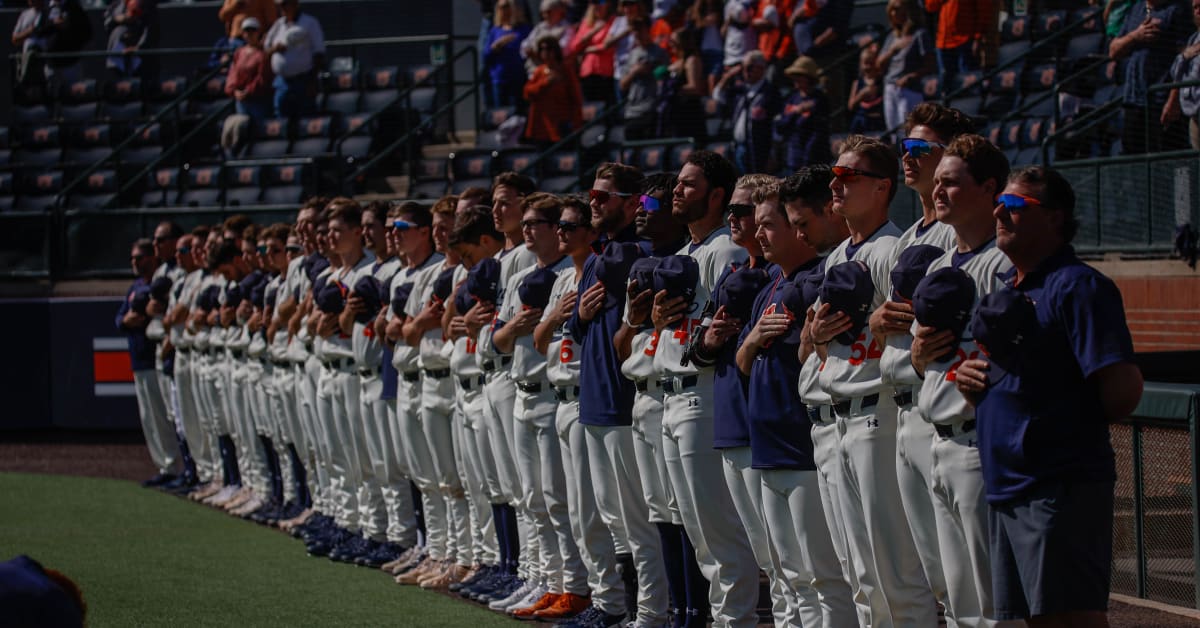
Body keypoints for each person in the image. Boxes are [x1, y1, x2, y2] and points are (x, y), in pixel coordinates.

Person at [955, 166, 1143, 625]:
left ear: (1055, 218)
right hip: (1008, 485)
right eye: (1000, 202)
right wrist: (975, 384)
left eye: (1016, 206)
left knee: (1070, 617)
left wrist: (1054, 425)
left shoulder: (1078, 286)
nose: (1000, 211)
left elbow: (1122, 389)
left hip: (1057, 485)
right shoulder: (1010, 288)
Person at [809, 135, 937, 626]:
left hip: (878, 411)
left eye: (849, 176)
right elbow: (822, 346)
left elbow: (908, 333)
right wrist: (817, 336)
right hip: (838, 413)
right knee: (858, 570)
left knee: (896, 570)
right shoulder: (839, 251)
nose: (835, 186)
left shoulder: (895, 247)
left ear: (883, 187)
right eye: (834, 175)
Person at [867, 101, 974, 624]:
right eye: (904, 147)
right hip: (902, 408)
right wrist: (877, 321)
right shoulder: (909, 237)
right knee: (927, 571)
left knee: (964, 579)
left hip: (942, 408)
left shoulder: (960, 236)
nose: (907, 157)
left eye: (919, 148)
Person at [737, 178, 859, 628]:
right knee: (789, 574)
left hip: (803, 442)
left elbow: (815, 357)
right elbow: (743, 361)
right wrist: (750, 341)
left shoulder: (820, 277)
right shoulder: (770, 285)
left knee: (825, 576)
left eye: (773, 224)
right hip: (767, 445)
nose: (762, 233)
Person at [651, 150, 761, 628]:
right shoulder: (683, 254)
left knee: (717, 528)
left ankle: (734, 620)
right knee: (696, 527)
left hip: (704, 390)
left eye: (689, 184)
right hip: (671, 394)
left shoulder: (727, 251)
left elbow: (727, 325)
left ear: (718, 196)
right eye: (678, 182)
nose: (677, 190)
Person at [909, 133, 1013, 626]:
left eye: (952, 182)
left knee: (994, 602)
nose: (938, 192)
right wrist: (914, 353)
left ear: (989, 188)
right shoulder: (937, 263)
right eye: (938, 183)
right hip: (936, 442)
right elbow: (919, 359)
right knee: (956, 600)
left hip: (979, 446)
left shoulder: (1006, 263)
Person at [567, 162, 668, 628]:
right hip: (594, 398)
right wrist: (583, 317)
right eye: (592, 193)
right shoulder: (601, 254)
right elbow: (574, 327)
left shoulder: (639, 253)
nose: (594, 202)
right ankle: (618, 608)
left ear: (632, 204)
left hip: (627, 403)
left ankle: (651, 613)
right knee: (615, 523)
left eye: (604, 196)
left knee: (641, 524)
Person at [119, 237, 181, 487]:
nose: (135, 262)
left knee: (170, 416)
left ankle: (178, 468)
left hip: (160, 355)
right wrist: (127, 320)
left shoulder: (164, 281)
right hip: (141, 359)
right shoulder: (135, 286)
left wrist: (145, 313)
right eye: (133, 258)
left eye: (140, 257)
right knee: (151, 418)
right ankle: (166, 467)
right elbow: (119, 318)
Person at [714, 50, 782, 175]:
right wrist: (728, 76)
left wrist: (773, 153)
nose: (745, 71)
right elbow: (718, 95)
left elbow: (777, 125)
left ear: (761, 68)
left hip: (760, 150)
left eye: (750, 67)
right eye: (743, 67)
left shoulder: (770, 92)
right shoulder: (741, 90)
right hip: (739, 147)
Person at [876, 0, 934, 134]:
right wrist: (893, 50)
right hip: (890, 86)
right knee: (892, 131)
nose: (893, 13)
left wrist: (911, 76)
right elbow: (879, 64)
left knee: (908, 130)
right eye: (891, 10)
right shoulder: (892, 36)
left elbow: (930, 64)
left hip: (909, 89)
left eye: (897, 9)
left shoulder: (920, 34)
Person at [221, 17, 274, 156]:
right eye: (246, 31)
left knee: (256, 133)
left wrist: (248, 91)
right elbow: (233, 74)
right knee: (240, 133)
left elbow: (263, 78)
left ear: (258, 32)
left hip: (258, 101)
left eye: (253, 31)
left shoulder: (263, 54)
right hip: (242, 102)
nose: (249, 34)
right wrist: (234, 91)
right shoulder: (239, 53)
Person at [264, 0, 325, 118]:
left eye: (285, 4)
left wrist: (312, 81)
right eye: (279, 5)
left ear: (295, 4)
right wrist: (275, 49)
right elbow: (266, 50)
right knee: (281, 119)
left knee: (305, 118)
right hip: (281, 81)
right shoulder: (278, 24)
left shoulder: (309, 23)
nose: (282, 8)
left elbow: (319, 52)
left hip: (303, 80)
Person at [774, 55, 832, 174]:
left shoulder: (819, 99)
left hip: (815, 160)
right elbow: (781, 126)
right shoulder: (792, 98)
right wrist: (796, 112)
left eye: (799, 76)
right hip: (794, 158)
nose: (796, 79)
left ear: (808, 78)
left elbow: (821, 130)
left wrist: (808, 158)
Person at [523, 36, 584, 146]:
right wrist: (545, 82)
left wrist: (577, 124)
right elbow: (527, 93)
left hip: (560, 124)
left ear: (555, 51)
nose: (545, 52)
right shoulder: (539, 71)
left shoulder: (566, 70)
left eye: (548, 49)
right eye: (542, 49)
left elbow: (576, 98)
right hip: (541, 125)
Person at [789, 0, 853, 104]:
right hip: (804, 60)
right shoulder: (804, 2)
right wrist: (796, 16)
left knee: (828, 99)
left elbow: (838, 28)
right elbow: (791, 22)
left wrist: (814, 46)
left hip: (826, 59)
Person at [924, 0, 995, 86]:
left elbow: (984, 10)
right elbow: (930, 6)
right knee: (946, 85)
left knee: (968, 83)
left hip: (965, 41)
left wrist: (978, 37)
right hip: (943, 42)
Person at [619, 17, 668, 140]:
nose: (637, 33)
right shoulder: (632, 55)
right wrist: (635, 72)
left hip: (651, 109)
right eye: (634, 30)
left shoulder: (659, 53)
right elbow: (623, 84)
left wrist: (651, 70)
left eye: (640, 29)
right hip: (632, 110)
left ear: (647, 30)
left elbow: (665, 79)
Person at [1161, 0, 1200, 150]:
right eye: (1195, 7)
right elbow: (1175, 71)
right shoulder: (1194, 38)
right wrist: (1184, 57)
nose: (1197, 11)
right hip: (1194, 114)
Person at [658, 27, 707, 142]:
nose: (671, 44)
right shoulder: (675, 63)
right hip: (675, 113)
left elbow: (695, 87)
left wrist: (675, 89)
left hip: (689, 114)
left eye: (674, 41)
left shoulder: (692, 60)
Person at [484, 0, 531, 108]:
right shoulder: (495, 31)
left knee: (517, 116)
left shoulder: (524, 29)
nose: (504, 10)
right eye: (501, 7)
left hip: (518, 78)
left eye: (507, 6)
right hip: (499, 79)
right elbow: (486, 55)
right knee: (501, 116)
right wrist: (497, 45)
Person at [567, 0, 616, 102]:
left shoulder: (614, 21)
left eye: (601, 2)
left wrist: (588, 49)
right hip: (587, 73)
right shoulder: (587, 23)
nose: (598, 5)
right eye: (594, 2)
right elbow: (573, 47)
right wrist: (592, 32)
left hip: (606, 73)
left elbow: (610, 47)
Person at [104, 0, 159, 80]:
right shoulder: (116, 4)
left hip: (140, 57)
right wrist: (118, 19)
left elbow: (151, 29)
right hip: (117, 55)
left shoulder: (147, 4)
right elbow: (107, 23)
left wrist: (139, 48)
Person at [521, 0, 576, 75]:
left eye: (549, 12)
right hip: (534, 71)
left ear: (559, 11)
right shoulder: (539, 27)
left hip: (555, 74)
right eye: (543, 13)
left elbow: (563, 49)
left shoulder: (567, 28)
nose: (545, 15)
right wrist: (528, 50)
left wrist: (538, 53)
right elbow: (525, 44)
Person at [848, 45, 886, 135]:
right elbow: (850, 106)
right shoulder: (857, 83)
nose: (868, 67)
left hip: (878, 121)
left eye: (871, 63)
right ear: (861, 64)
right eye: (865, 63)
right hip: (861, 121)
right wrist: (861, 95)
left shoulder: (882, 81)